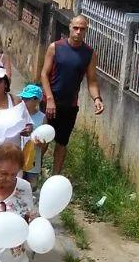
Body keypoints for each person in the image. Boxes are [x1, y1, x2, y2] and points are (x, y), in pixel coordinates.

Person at [41, 16, 103, 176]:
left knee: (62, 143)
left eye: (82, 29)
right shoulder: (55, 47)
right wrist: (49, 99)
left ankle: (55, 177)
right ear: (70, 27)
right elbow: (44, 74)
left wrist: (97, 99)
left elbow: (92, 81)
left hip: (70, 105)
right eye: (75, 27)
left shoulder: (89, 54)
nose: (78, 32)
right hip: (50, 101)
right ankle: (34, 173)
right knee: (43, 139)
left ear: (86, 30)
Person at [19, 85, 47, 184]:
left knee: (32, 186)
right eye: (22, 98)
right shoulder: (18, 114)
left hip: (33, 159)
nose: (23, 101)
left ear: (36, 101)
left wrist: (36, 138)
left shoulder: (42, 118)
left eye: (27, 99)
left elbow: (44, 143)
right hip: (18, 157)